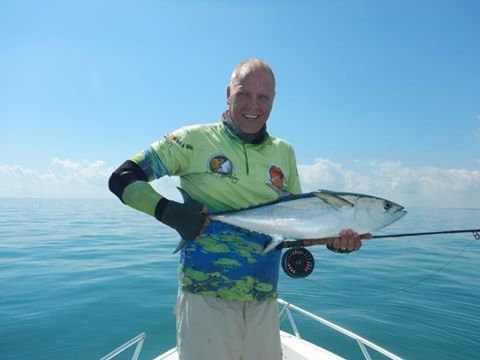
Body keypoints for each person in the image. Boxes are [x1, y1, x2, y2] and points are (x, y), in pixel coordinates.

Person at [108, 58, 367, 360]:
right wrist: (170, 213)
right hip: (205, 299)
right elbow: (122, 178)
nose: (252, 105)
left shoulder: (284, 151)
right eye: (243, 93)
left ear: (273, 101)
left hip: (264, 301)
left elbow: (295, 228)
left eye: (263, 97)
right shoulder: (191, 140)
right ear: (228, 92)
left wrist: (336, 240)